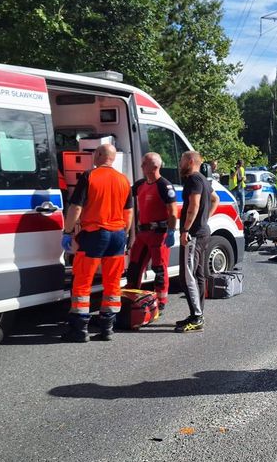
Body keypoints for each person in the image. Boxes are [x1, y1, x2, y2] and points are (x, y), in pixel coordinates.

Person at [62, 144, 133, 342]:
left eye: (94, 153)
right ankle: (107, 328)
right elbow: (129, 215)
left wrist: (67, 232)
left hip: (94, 234)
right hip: (118, 234)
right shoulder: (123, 180)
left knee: (83, 281)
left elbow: (76, 208)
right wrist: (123, 235)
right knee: (112, 282)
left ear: (99, 155)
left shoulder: (89, 176)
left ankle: (79, 330)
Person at [126, 152, 177, 314]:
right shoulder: (140, 184)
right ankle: (131, 300)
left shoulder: (164, 185)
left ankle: (160, 302)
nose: (141, 166)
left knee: (159, 270)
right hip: (143, 234)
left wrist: (171, 232)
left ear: (154, 167)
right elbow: (124, 195)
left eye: (144, 164)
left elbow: (173, 212)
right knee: (134, 267)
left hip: (158, 234)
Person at [177, 150, 218, 333]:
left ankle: (197, 317)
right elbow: (214, 199)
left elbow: (193, 205)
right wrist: (204, 219)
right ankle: (197, 312)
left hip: (194, 235)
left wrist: (186, 229)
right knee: (199, 274)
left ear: (191, 161)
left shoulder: (193, 179)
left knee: (188, 276)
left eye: (182, 160)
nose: (180, 164)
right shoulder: (203, 179)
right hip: (202, 232)